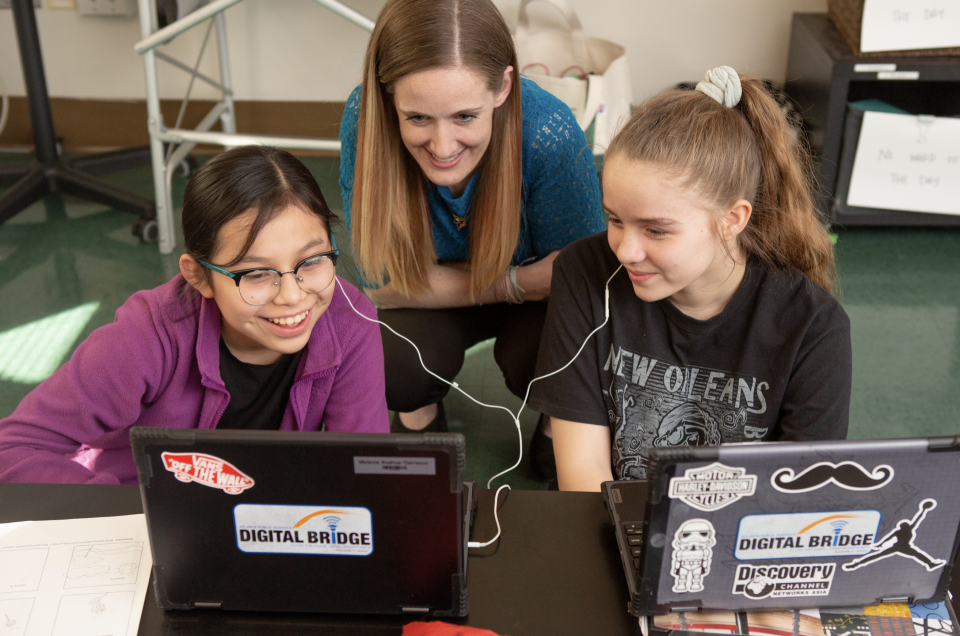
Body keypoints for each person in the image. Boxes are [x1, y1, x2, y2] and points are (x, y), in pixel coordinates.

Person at [529, 67, 852, 491]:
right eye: (615, 219)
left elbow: (796, 499)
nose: (625, 250)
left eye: (656, 230)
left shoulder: (815, 327)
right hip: (606, 524)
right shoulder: (584, 272)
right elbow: (584, 475)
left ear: (732, 220)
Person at [0, 146, 389, 484]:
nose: (292, 295)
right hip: (143, 519)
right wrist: (139, 517)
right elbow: (15, 446)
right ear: (198, 276)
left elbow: (364, 471)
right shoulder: (146, 335)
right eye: (255, 273)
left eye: (311, 260)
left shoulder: (350, 321)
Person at [338, 0, 604, 478]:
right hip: (491, 289)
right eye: (417, 118)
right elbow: (379, 282)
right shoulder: (366, 117)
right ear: (388, 95)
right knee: (391, 364)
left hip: (527, 304)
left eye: (464, 116)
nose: (442, 148)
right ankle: (417, 412)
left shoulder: (548, 130)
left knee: (552, 359)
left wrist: (521, 287)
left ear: (503, 87)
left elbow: (580, 280)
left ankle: (550, 423)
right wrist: (516, 282)